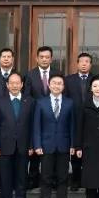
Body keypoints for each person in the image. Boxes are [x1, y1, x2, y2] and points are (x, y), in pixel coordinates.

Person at [0, 71, 35, 198]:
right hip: (5, 148)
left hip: (23, 147)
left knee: (21, 181)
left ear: (22, 85)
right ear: (7, 85)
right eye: (12, 83)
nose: (15, 85)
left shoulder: (29, 101)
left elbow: (32, 126)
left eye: (17, 83)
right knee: (5, 181)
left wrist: (31, 145)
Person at [32, 74, 75, 198]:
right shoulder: (40, 102)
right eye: (54, 83)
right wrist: (37, 144)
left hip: (64, 146)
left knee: (63, 179)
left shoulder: (69, 103)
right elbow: (36, 125)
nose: (57, 86)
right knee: (46, 179)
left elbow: (72, 126)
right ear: (49, 85)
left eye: (60, 83)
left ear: (63, 87)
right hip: (46, 146)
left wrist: (73, 145)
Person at [0, 47, 20, 192]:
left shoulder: (19, 76)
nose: (6, 59)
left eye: (9, 56)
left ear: (13, 59)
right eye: (4, 56)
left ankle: (13, 181)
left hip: (13, 118)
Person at [25, 45, 57, 189]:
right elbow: (27, 96)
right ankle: (33, 178)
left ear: (51, 59)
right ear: (37, 58)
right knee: (35, 150)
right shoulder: (30, 75)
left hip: (53, 118)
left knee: (52, 149)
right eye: (42, 57)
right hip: (35, 117)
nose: (44, 59)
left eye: (47, 57)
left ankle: (53, 179)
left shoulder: (57, 74)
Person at [64, 52, 95, 191]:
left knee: (90, 152)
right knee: (75, 151)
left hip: (92, 120)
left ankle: (88, 179)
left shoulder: (96, 79)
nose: (84, 64)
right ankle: (75, 180)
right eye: (81, 61)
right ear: (77, 64)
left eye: (87, 61)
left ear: (90, 64)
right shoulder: (69, 80)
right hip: (74, 119)